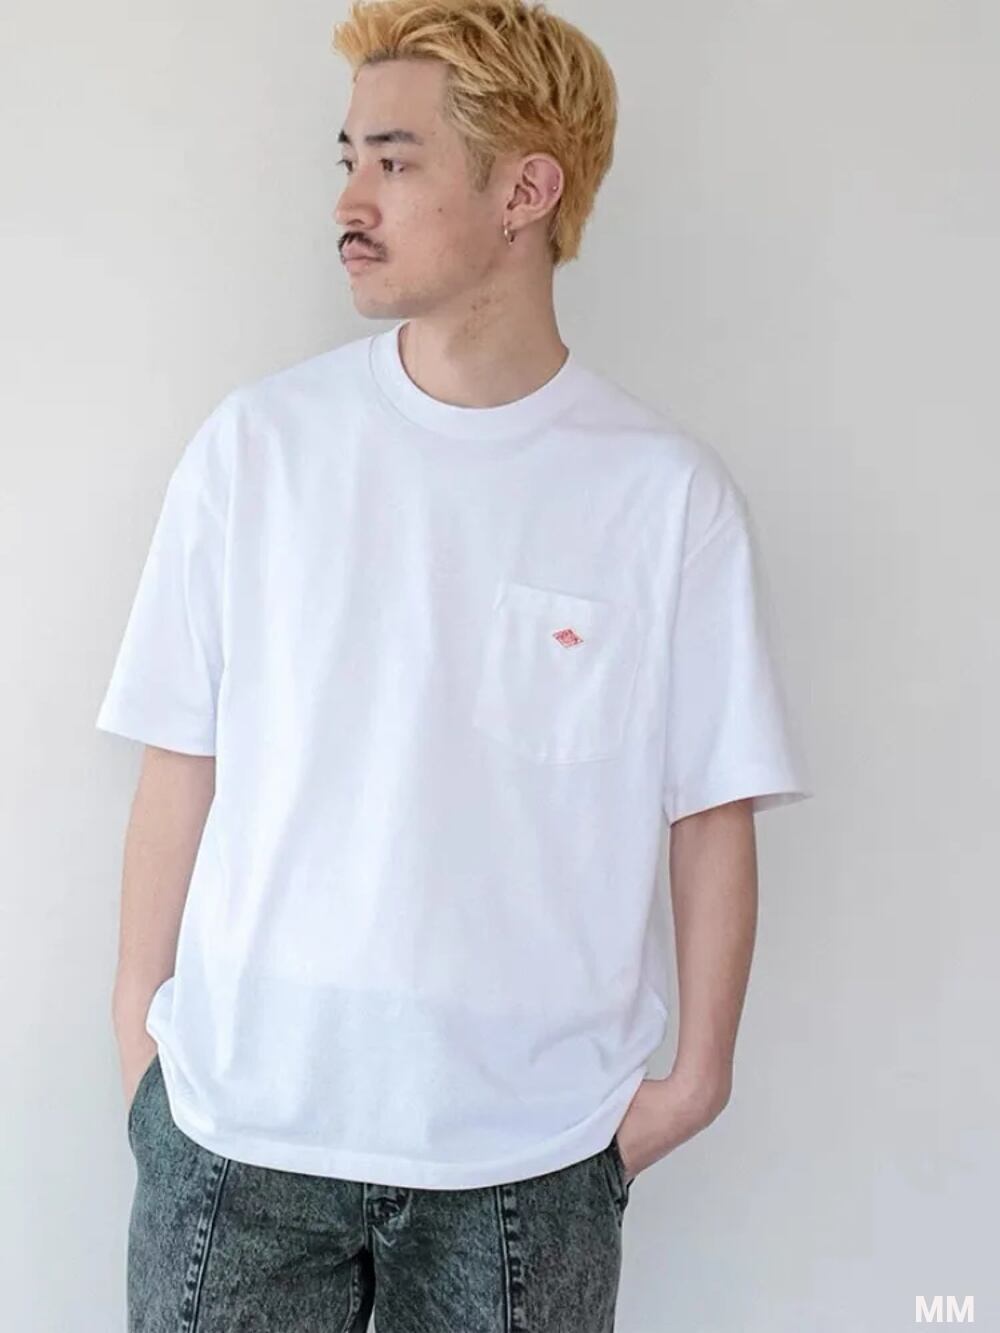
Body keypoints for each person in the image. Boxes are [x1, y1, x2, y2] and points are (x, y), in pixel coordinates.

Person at [96, 1, 813, 1328]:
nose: (348, 200)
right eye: (348, 158)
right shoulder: (260, 448)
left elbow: (711, 804)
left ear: (524, 192)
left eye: (395, 159)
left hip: (527, 1161)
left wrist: (695, 1079)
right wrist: (143, 1042)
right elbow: (179, 755)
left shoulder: (662, 497)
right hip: (237, 1136)